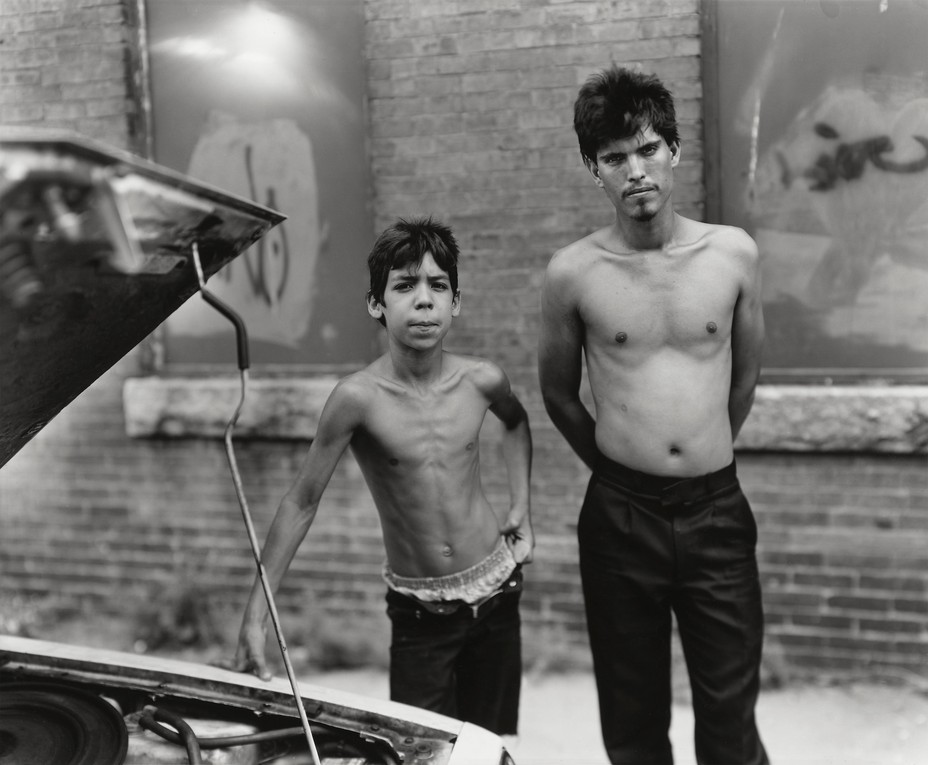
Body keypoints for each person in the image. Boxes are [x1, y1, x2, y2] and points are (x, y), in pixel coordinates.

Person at [538, 66, 768, 764]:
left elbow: (747, 375)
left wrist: (702, 454)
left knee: (729, 720)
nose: (635, 171)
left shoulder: (732, 254)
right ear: (593, 169)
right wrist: (621, 469)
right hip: (620, 519)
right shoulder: (572, 273)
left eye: (647, 149)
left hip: (716, 513)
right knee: (633, 724)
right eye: (614, 157)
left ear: (675, 150)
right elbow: (557, 394)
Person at [224, 217, 533, 736]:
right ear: (377, 304)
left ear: (456, 302)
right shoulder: (356, 399)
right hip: (418, 614)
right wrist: (257, 614)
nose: (424, 300)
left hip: (496, 592)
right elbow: (301, 501)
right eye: (405, 285)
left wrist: (521, 506)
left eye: (438, 286)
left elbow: (518, 423)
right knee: (417, 747)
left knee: (488, 744)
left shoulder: (482, 379)